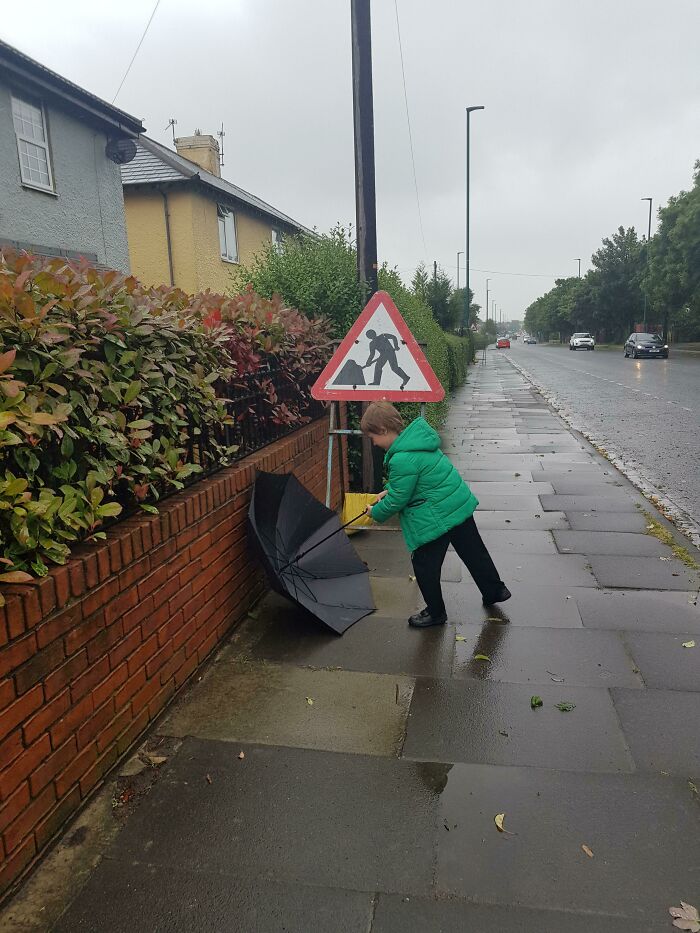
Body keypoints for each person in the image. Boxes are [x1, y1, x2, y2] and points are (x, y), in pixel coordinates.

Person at [361, 401, 511, 627]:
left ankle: (436, 612)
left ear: (382, 430)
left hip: (436, 516)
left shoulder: (401, 458)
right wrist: (390, 490)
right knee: (474, 552)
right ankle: (495, 590)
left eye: (372, 436)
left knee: (425, 565)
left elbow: (399, 499)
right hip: (457, 505)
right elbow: (419, 481)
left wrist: (375, 511)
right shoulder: (418, 443)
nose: (372, 442)